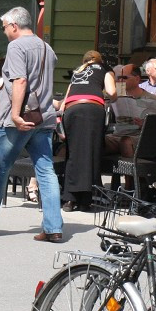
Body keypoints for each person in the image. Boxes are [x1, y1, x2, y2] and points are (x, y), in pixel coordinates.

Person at [0, 7, 63, 242]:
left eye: (5, 27)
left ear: (15, 26)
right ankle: (53, 227)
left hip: (18, 119)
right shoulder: (47, 48)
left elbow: (20, 81)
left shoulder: (16, 47)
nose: (5, 31)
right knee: (46, 171)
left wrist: (16, 114)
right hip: (44, 117)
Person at [59, 51, 117, 212]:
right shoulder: (105, 68)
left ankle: (69, 199)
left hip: (71, 110)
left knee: (73, 154)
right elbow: (112, 93)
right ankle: (86, 200)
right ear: (100, 60)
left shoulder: (77, 71)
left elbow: (65, 101)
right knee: (91, 153)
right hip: (92, 110)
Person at [104, 64, 156, 157]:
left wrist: (145, 124)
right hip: (117, 135)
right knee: (97, 140)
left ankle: (131, 170)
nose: (120, 81)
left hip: (139, 137)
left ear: (137, 79)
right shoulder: (118, 95)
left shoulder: (152, 99)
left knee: (125, 141)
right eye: (118, 78)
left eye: (124, 77)